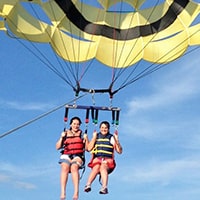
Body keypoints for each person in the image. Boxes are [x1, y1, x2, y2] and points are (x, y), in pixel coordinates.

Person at [84, 121, 122, 194]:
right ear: (100, 128)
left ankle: (104, 187)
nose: (104, 129)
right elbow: (89, 149)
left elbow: (119, 151)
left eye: (105, 128)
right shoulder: (96, 136)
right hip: (97, 159)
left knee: (103, 166)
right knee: (96, 167)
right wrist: (94, 138)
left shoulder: (111, 138)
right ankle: (88, 185)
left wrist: (117, 140)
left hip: (108, 160)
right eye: (102, 127)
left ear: (108, 129)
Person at [56, 116, 89, 200]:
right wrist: (61, 137)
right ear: (70, 124)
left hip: (78, 155)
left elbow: (88, 149)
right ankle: (63, 192)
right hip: (67, 154)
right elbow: (57, 147)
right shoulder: (65, 133)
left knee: (74, 167)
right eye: (74, 124)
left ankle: (76, 192)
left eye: (78, 124)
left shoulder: (82, 134)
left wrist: (86, 139)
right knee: (65, 167)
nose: (76, 126)